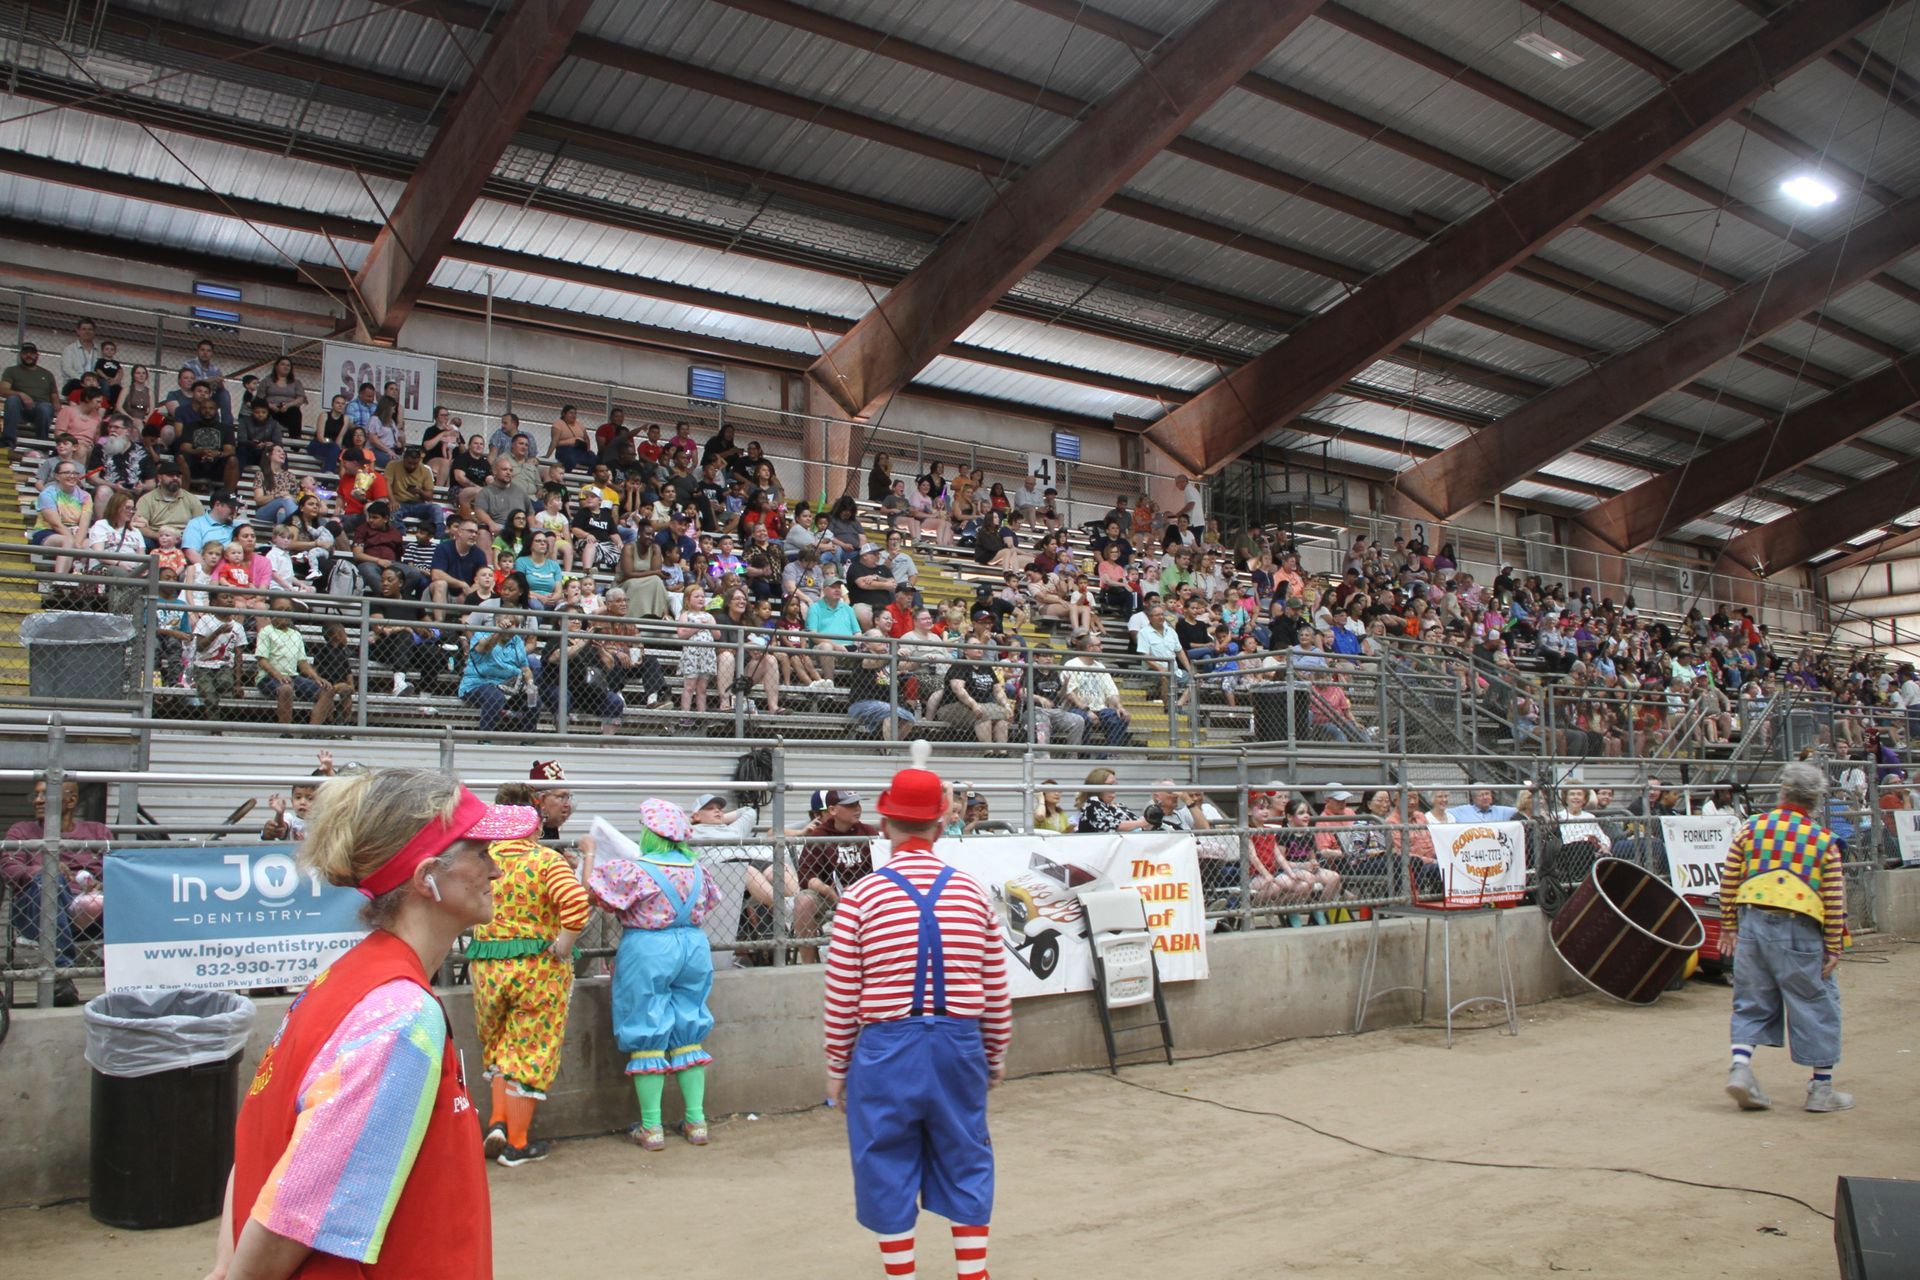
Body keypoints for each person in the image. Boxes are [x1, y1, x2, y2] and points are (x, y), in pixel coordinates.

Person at [211, 770, 536, 1280]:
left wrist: (222, 1267)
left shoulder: (344, 981)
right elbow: (296, 1208)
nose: (496, 871)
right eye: (481, 853)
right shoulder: (401, 1016)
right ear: (427, 875)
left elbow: (261, 1149)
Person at [824, 752, 1010, 1280]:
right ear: (943, 821)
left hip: (886, 1050)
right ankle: (972, 1274)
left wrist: (838, 1068)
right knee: (967, 1154)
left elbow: (841, 994)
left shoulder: (862, 896)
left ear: (884, 824)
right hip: (959, 1044)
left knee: (884, 1158)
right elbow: (996, 988)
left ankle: (902, 1275)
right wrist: (993, 1054)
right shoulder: (972, 893)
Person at [469, 780, 592, 1168]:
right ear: (534, 828)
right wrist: (563, 947)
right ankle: (517, 1144)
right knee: (529, 1051)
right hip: (537, 968)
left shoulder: (479, 861)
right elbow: (576, 903)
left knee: (499, 1047)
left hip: (486, 967)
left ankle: (497, 1123)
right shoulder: (543, 860)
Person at [588, 798, 721, 1149]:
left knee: (646, 1028)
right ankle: (696, 1121)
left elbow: (597, 897)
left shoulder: (635, 870)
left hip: (647, 948)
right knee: (689, 1025)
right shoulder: (697, 870)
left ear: (650, 833)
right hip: (693, 946)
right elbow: (709, 903)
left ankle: (652, 1127)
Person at [1720, 762, 1852, 1114]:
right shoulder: (1824, 841)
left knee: (1750, 1000)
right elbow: (1835, 897)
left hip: (1752, 925)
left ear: (1782, 792)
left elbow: (1730, 878)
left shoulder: (1752, 828)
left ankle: (1741, 1068)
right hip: (1800, 931)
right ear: (1816, 800)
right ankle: (1821, 1089)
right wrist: (1834, 945)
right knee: (1817, 1004)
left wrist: (1729, 926)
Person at [2, 779, 112, 1006]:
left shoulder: (97, 831)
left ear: (71, 800)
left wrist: (102, 884)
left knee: (125, 893)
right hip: (35, 911)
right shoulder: (21, 831)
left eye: (46, 794)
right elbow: (9, 869)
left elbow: (119, 868)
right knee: (50, 878)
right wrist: (44, 869)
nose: (39, 801)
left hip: (91, 912)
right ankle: (61, 972)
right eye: (36, 795)